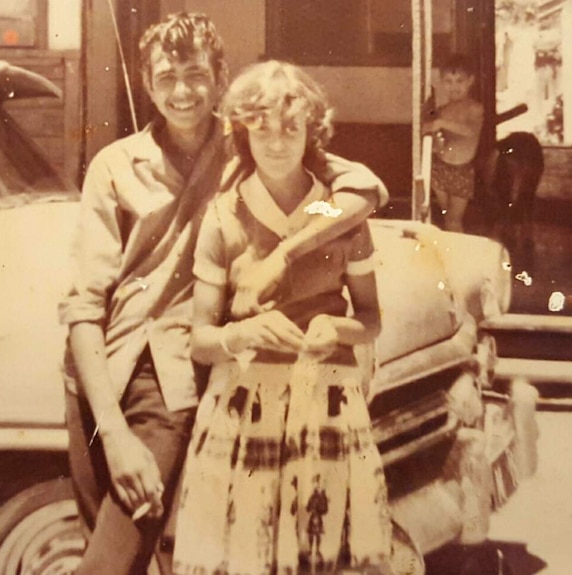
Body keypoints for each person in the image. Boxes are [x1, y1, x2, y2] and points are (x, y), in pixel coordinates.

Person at [58, 13, 390, 575]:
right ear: (146, 84)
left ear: (218, 78)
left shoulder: (253, 140)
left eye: (195, 75)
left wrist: (289, 252)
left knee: (118, 558)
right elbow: (84, 304)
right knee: (120, 548)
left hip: (177, 367)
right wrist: (111, 432)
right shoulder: (115, 166)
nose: (182, 92)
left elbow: (361, 190)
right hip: (105, 371)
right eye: (166, 78)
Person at [172, 60, 422, 575]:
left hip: (325, 405)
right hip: (245, 410)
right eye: (261, 129)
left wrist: (338, 329)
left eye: (292, 128)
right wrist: (242, 332)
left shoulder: (335, 212)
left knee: (325, 555)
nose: (278, 143)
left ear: (312, 131)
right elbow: (199, 339)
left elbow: (371, 318)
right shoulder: (223, 217)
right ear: (242, 131)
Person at [424, 53, 484, 233]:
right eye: (448, 81)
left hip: (461, 171)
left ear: (470, 81)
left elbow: (469, 131)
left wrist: (441, 123)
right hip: (440, 168)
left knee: (453, 219)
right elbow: (431, 133)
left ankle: (458, 256)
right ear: (442, 82)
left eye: (459, 81)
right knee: (446, 216)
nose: (454, 86)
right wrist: (434, 137)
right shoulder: (441, 111)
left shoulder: (475, 108)